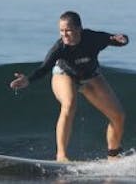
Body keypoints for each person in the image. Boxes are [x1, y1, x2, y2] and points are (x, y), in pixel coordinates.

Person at [10, 11, 129, 162]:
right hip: (64, 75)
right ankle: (61, 156)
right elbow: (44, 68)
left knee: (118, 115)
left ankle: (113, 154)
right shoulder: (59, 47)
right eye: (61, 31)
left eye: (68, 30)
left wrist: (123, 39)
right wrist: (28, 79)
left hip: (90, 76)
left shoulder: (93, 38)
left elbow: (115, 39)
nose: (64, 34)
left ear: (79, 29)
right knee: (69, 104)